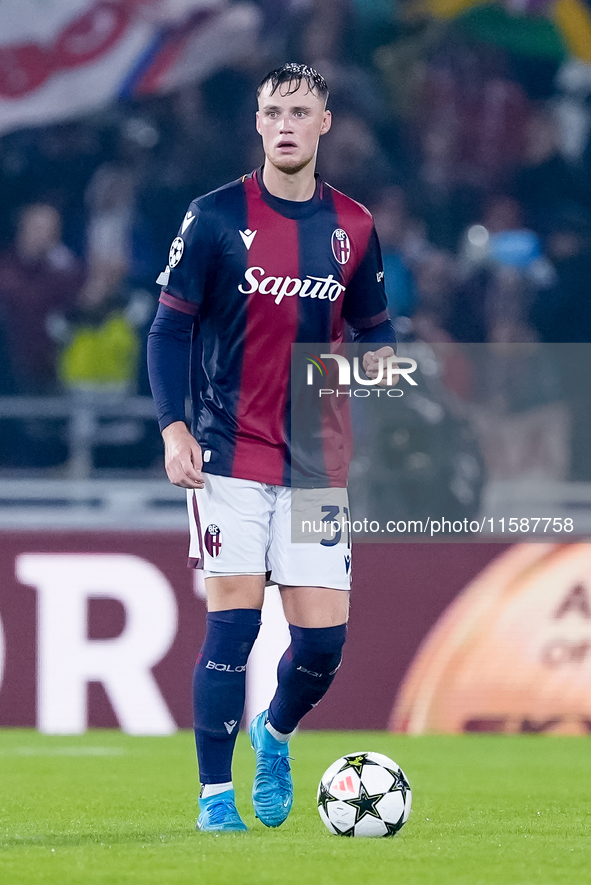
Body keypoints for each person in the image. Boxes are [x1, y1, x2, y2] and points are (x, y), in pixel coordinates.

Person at [147, 62, 395, 833]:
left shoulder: (352, 226)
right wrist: (173, 424)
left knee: (322, 646)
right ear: (257, 124)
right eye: (271, 110)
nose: (284, 122)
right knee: (233, 627)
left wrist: (373, 361)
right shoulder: (216, 217)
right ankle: (215, 797)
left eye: (299, 110)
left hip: (316, 463)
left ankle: (275, 733)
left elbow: (376, 330)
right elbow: (169, 327)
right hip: (228, 452)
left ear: (324, 123)